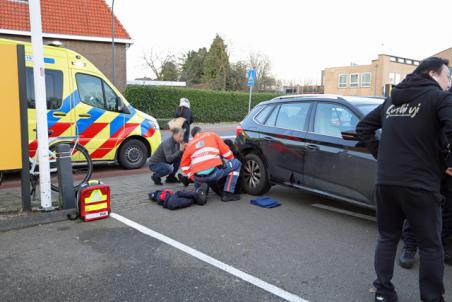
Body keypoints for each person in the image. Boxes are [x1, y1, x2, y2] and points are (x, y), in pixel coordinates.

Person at [356, 57, 452, 302]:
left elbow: (363, 127)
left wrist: (382, 155)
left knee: (387, 238)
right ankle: (432, 298)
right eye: (447, 76)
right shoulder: (438, 98)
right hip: (421, 185)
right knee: (431, 246)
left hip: (386, 182)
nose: (449, 82)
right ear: (432, 74)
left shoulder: (391, 101)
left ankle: (383, 291)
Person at [180, 127, 241, 202]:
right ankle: (227, 193)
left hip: (198, 177)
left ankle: (200, 192)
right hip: (213, 173)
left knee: (199, 184)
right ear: (202, 131)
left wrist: (192, 177)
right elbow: (226, 153)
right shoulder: (212, 135)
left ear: (193, 136)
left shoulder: (190, 144)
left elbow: (183, 165)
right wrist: (230, 161)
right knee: (236, 163)